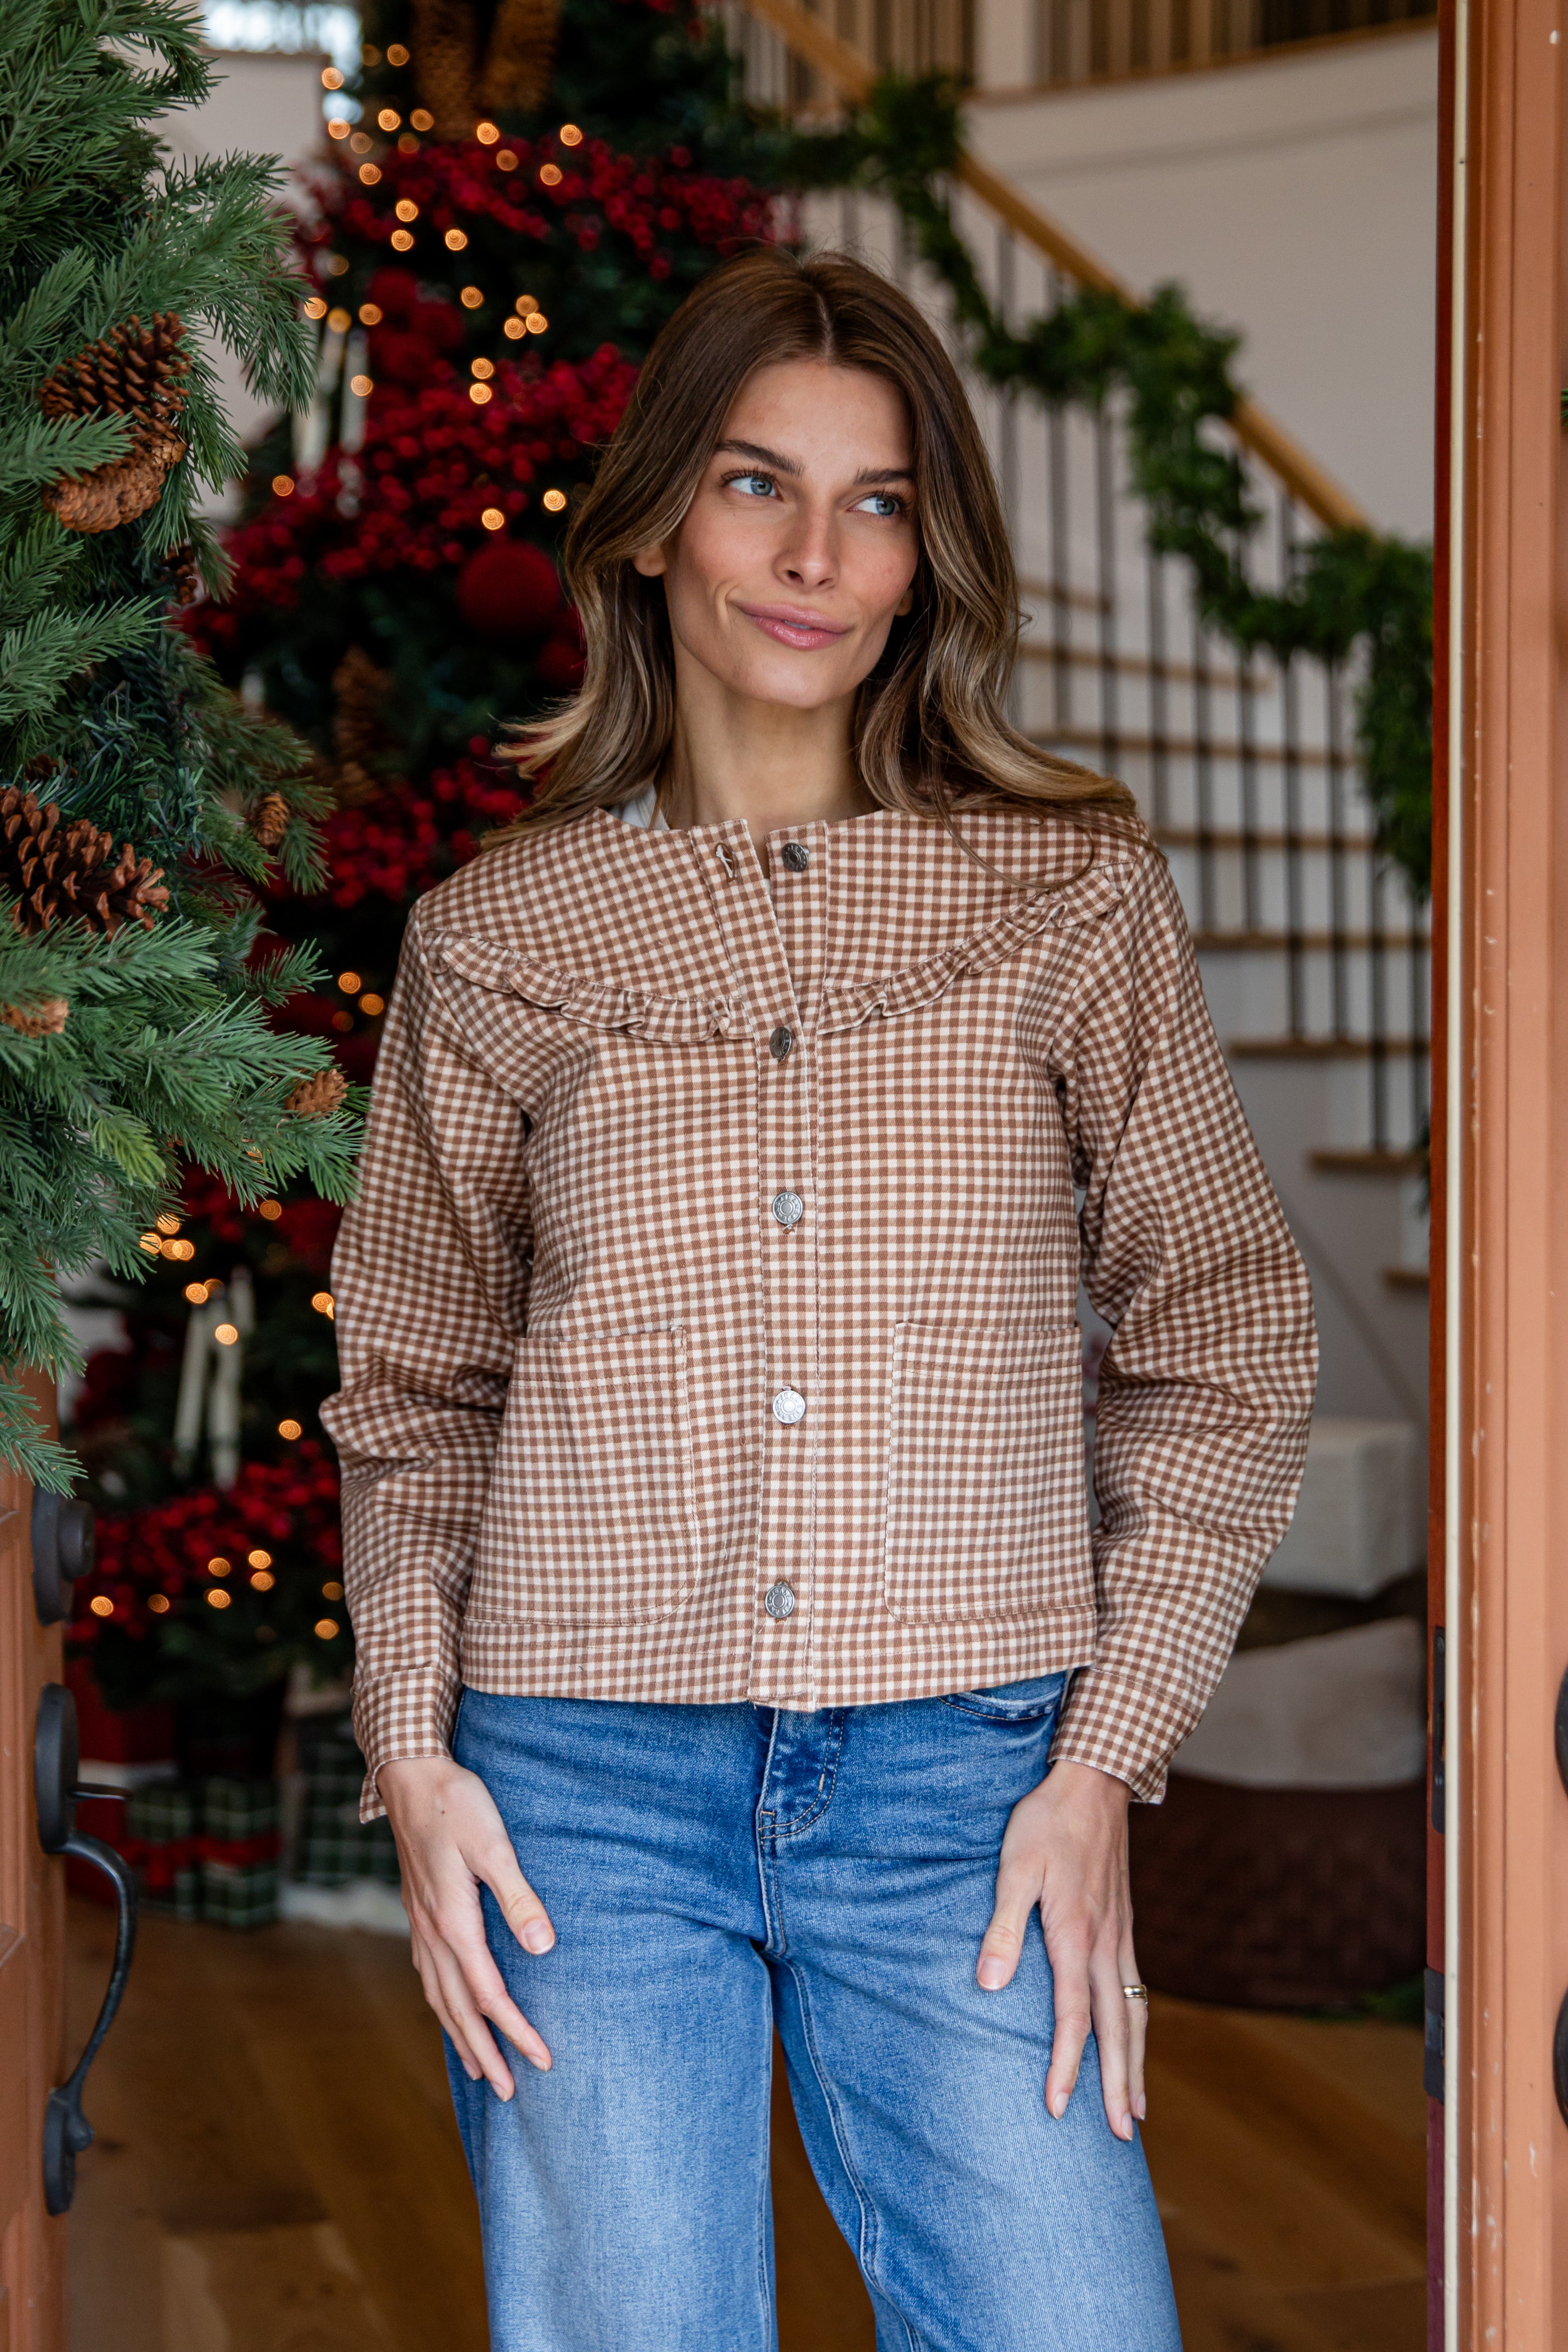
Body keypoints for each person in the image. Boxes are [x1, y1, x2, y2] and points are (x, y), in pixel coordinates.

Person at [321, 246, 1316, 2351]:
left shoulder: (1068, 895)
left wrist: (1101, 1765)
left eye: (875, 503)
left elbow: (1225, 1340)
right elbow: (415, 1392)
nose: (811, 558)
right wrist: (415, 1755)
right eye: (756, 484)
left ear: (923, 558)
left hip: (973, 1784)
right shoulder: (497, 936)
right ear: (653, 519)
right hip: (576, 1789)